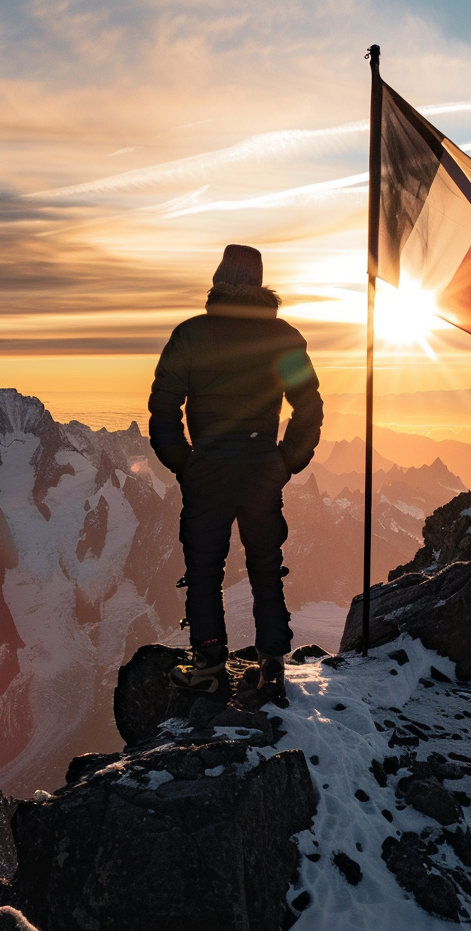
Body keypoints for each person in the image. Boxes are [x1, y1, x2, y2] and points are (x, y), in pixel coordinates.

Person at [147, 244, 323, 703]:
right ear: (261, 284)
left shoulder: (190, 335)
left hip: (207, 469)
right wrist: (287, 460)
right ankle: (271, 668)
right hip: (262, 467)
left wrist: (186, 463)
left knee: (205, 571)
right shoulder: (282, 337)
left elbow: (164, 408)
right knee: (266, 568)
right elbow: (309, 406)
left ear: (218, 279)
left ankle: (208, 665)